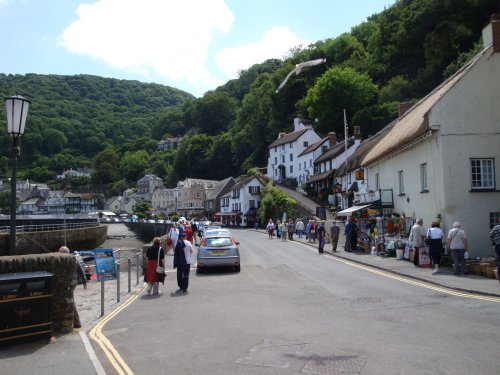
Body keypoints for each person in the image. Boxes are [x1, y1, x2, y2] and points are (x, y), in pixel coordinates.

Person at [58, 246, 87, 329]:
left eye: (60, 252)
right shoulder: (73, 259)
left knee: (70, 300)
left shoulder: (67, 260)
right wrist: (84, 281)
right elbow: (80, 270)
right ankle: (73, 322)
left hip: (69, 283)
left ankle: (76, 322)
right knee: (70, 300)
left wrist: (84, 281)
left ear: (64, 253)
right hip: (73, 282)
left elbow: (80, 270)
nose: (58, 254)